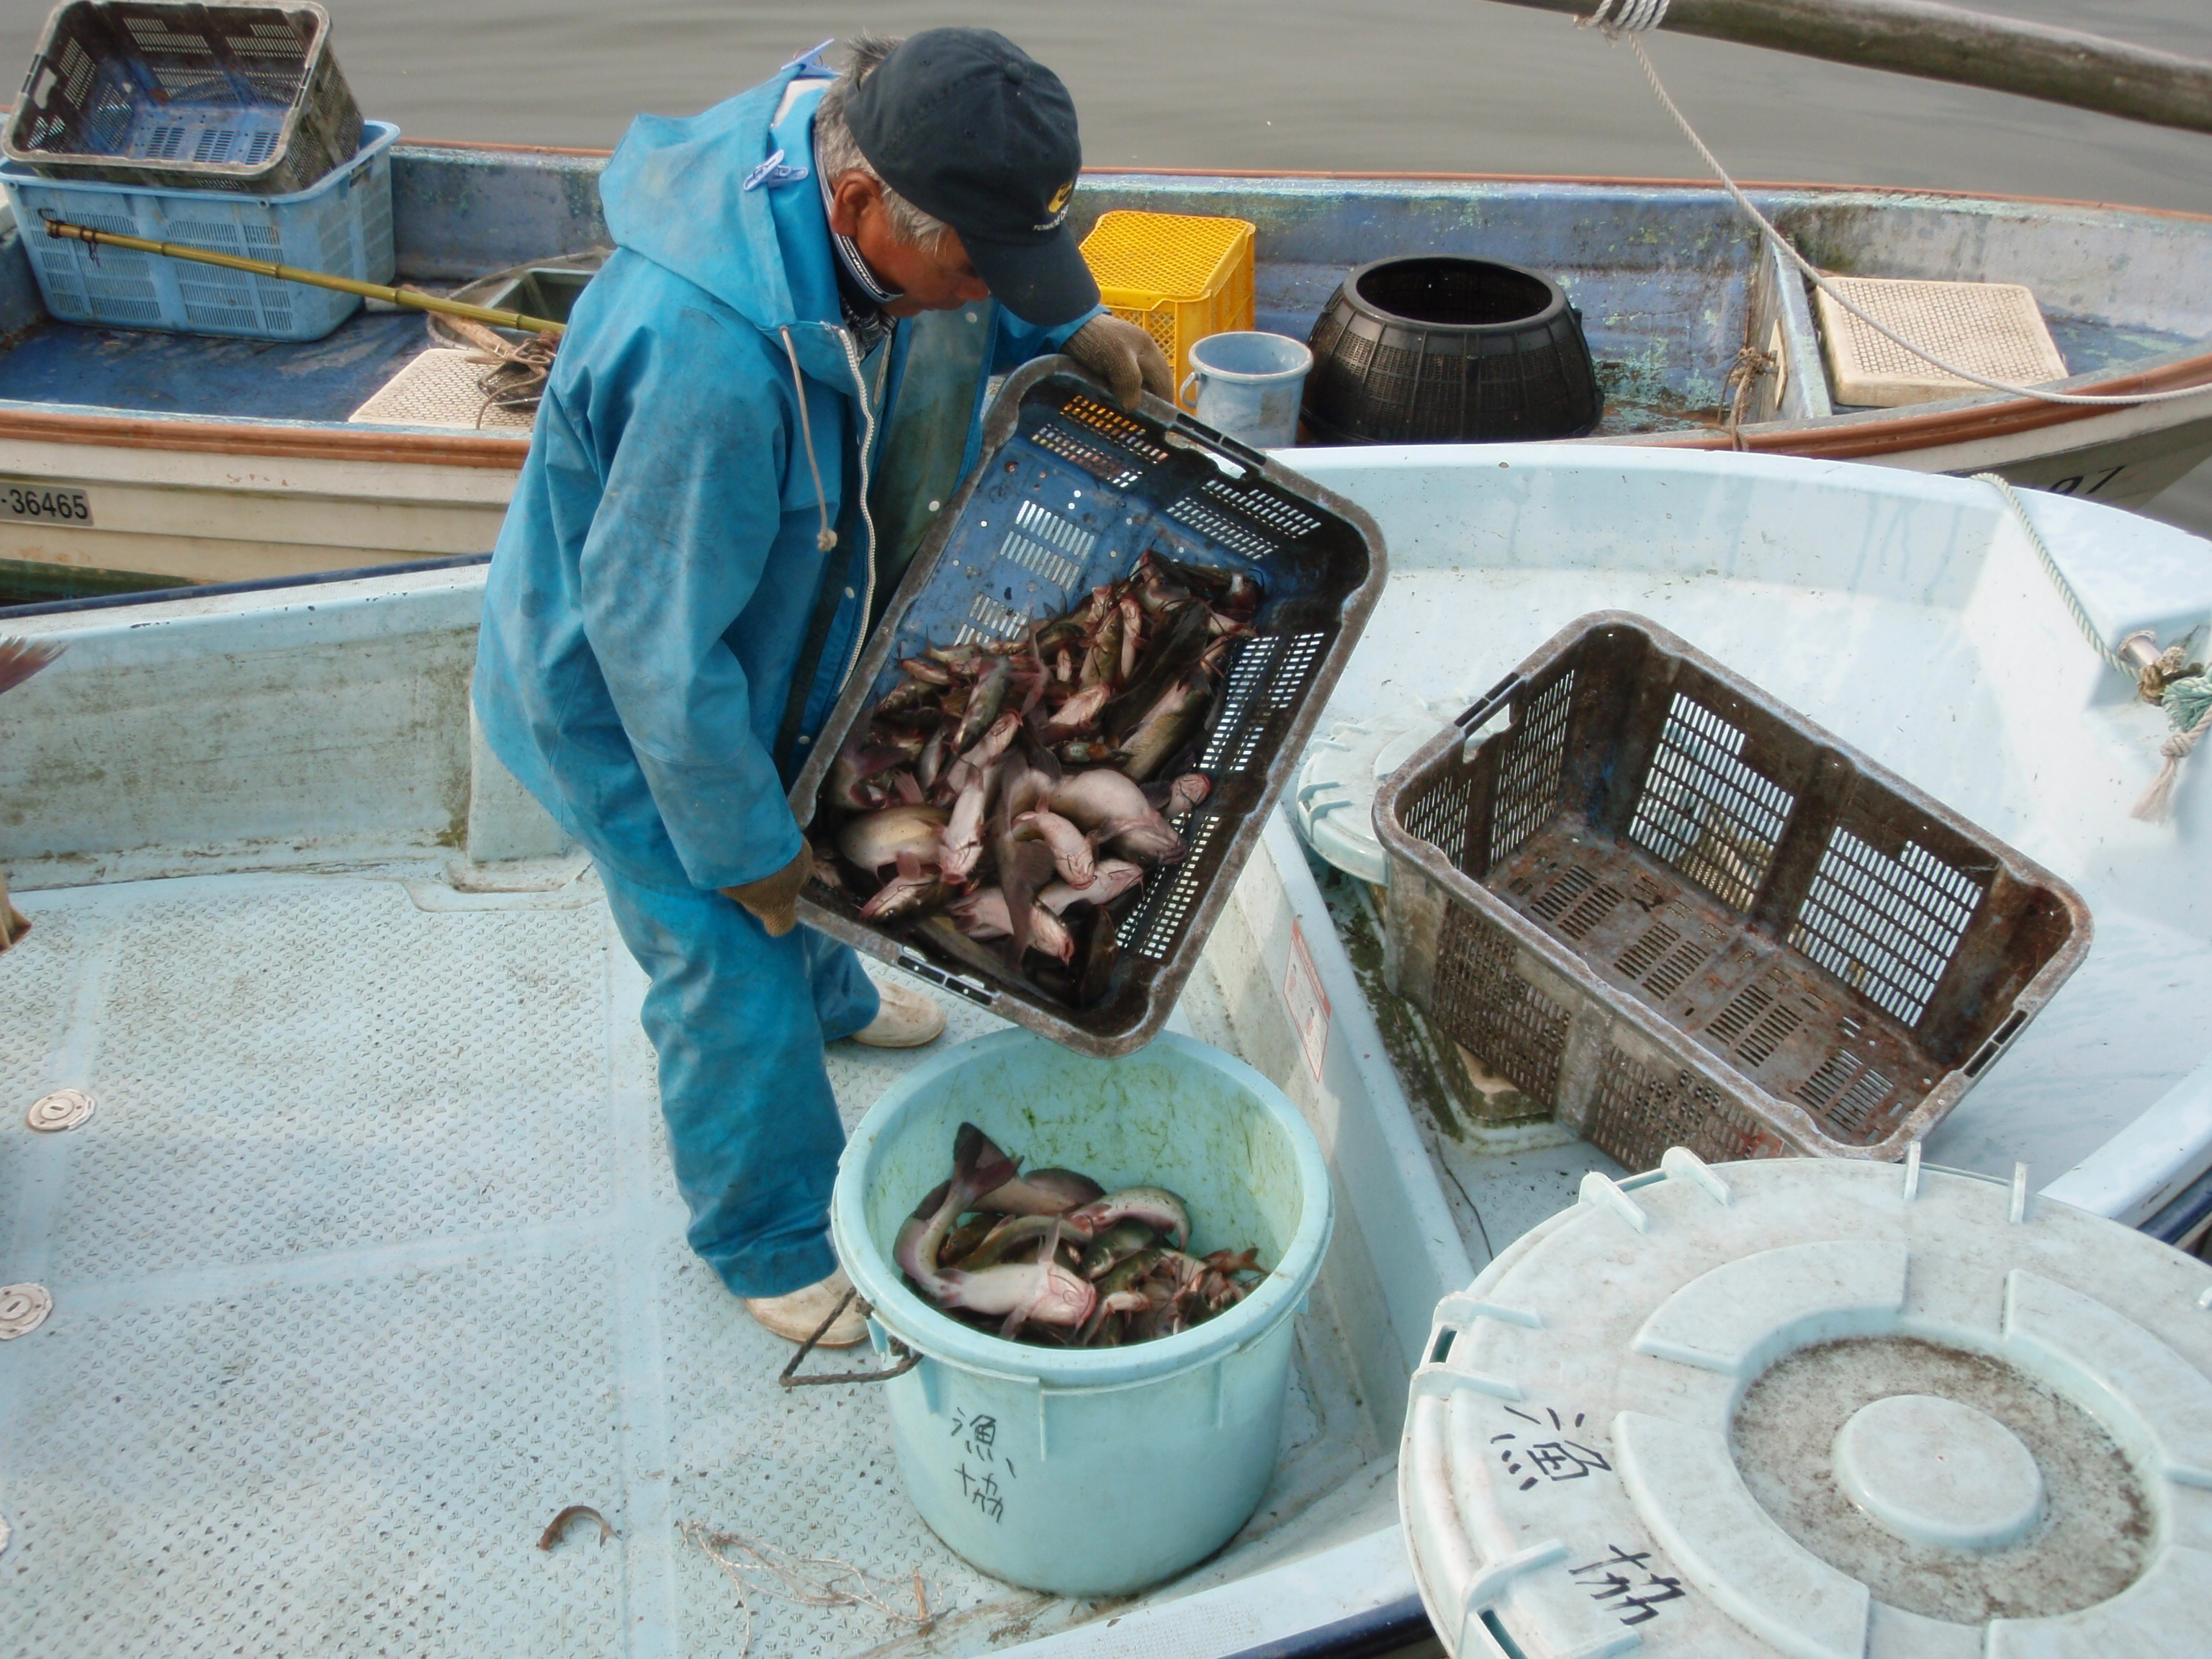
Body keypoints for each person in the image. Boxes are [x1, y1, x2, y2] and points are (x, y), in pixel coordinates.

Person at [472, 30, 1172, 1347]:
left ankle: (837, 1000)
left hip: (787, 620)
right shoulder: (707, 362)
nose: (983, 288)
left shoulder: (859, 149)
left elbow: (959, 246)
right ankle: (766, 1232)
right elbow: (656, 657)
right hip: (629, 706)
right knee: (734, 942)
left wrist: (1064, 320)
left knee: (827, 853)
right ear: (858, 210)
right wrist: (742, 852)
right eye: (978, 267)